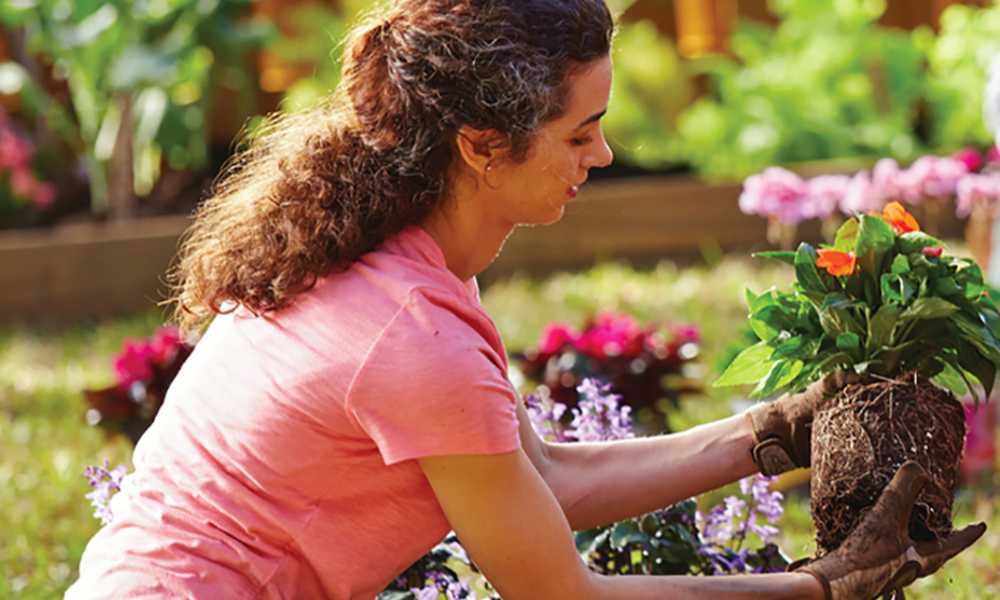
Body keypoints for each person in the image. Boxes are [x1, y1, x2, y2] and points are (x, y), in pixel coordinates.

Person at [66, 1, 984, 598]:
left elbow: (540, 483)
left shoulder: (404, 261)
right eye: (580, 131)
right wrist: (818, 588)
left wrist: (772, 430)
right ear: (479, 145)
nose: (606, 155)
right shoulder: (408, 334)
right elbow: (560, 596)